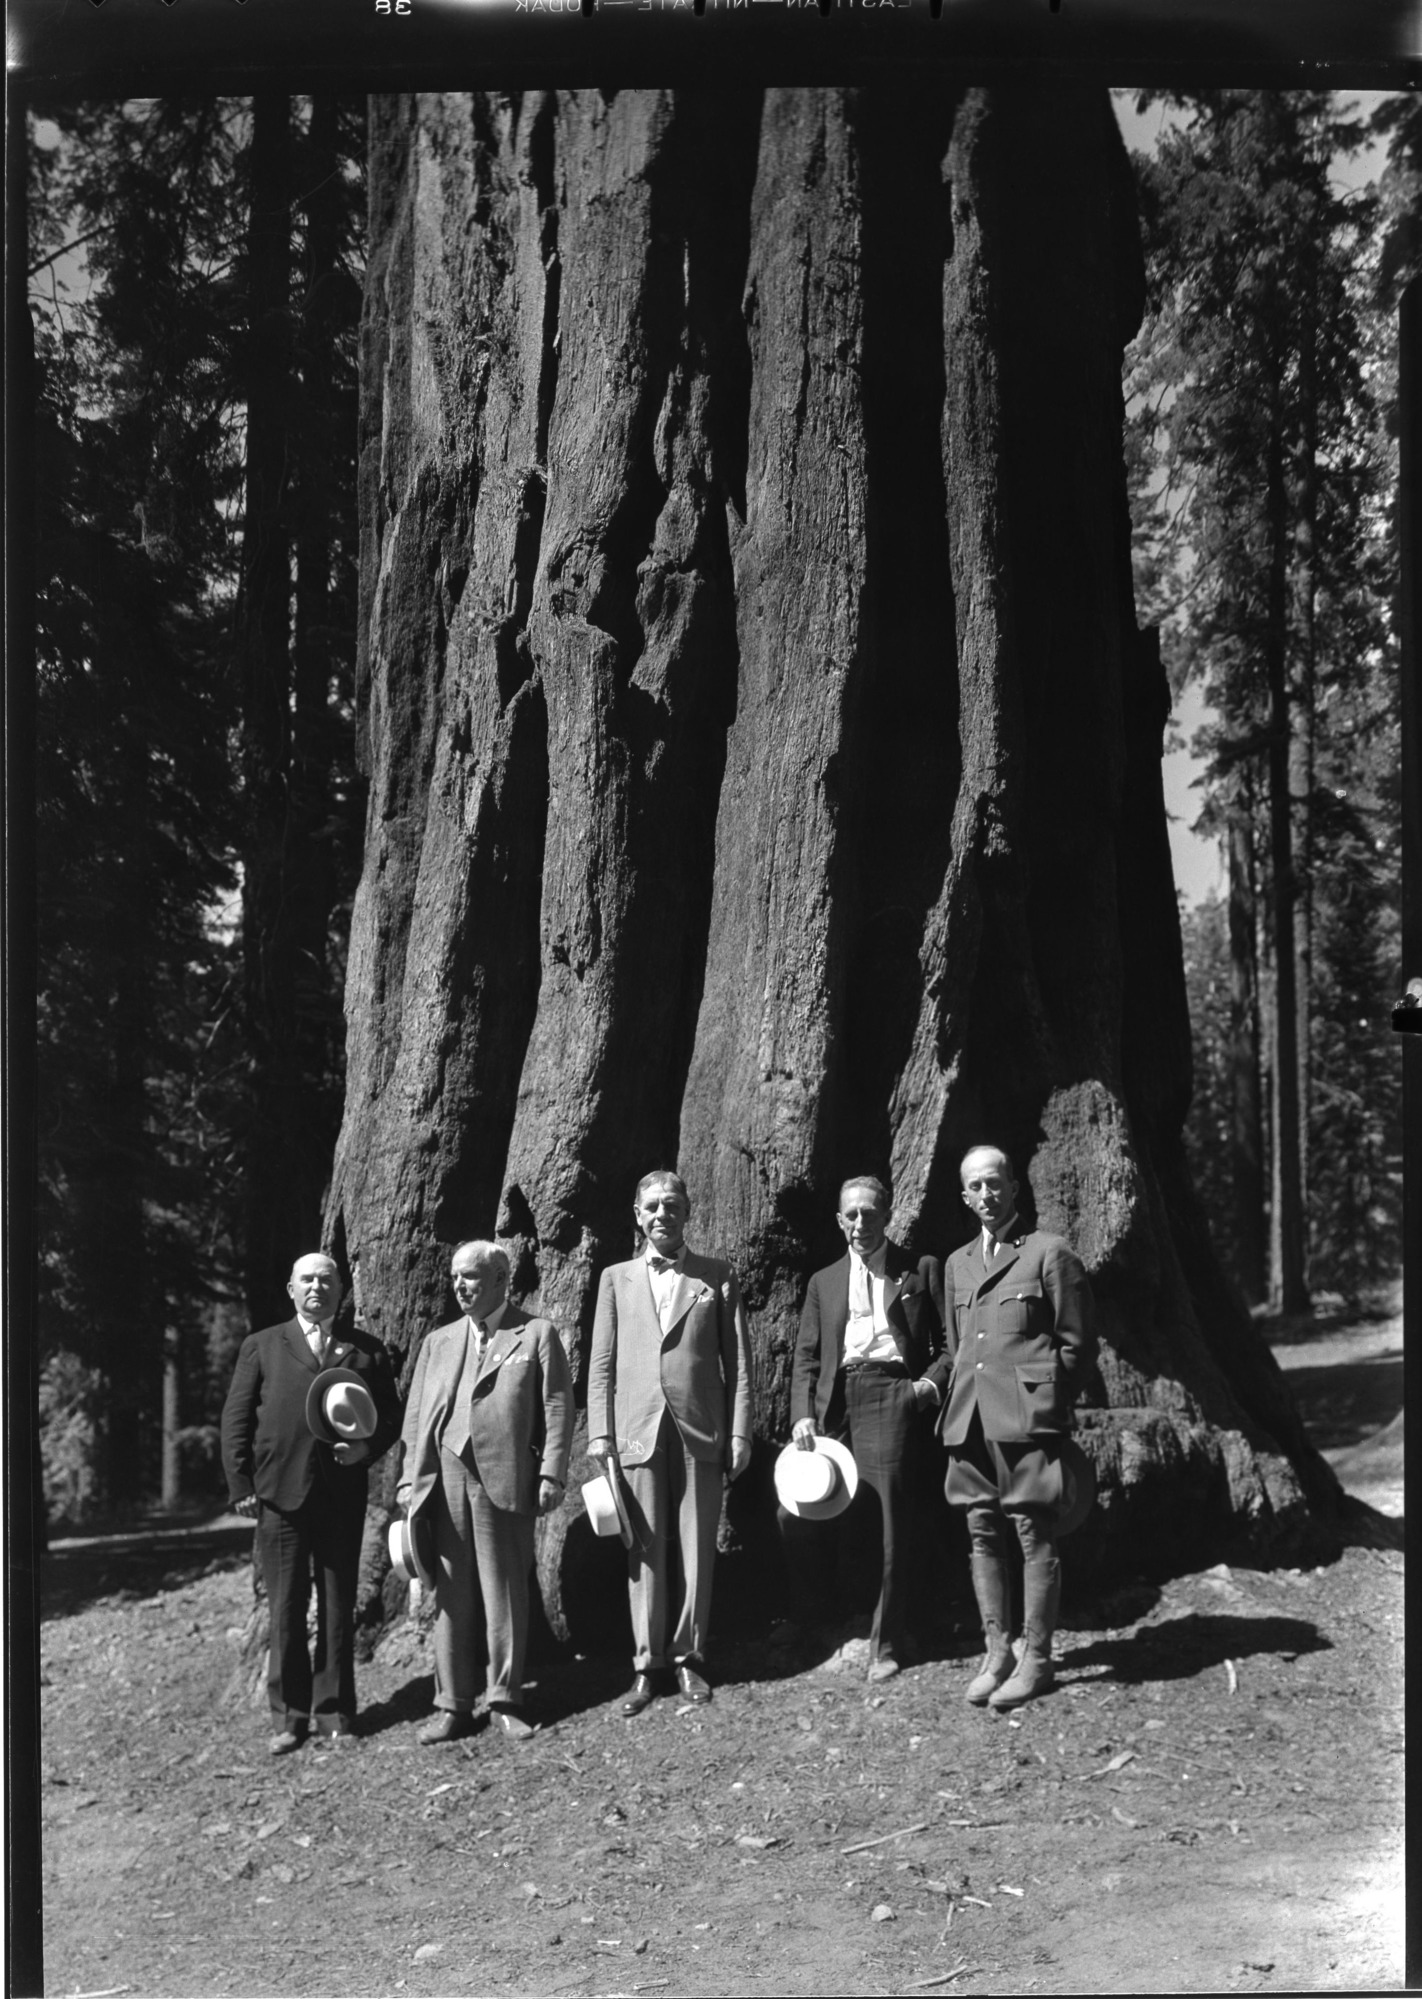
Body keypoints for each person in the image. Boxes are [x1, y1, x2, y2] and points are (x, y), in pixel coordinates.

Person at [588, 1170, 753, 1716]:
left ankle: (688, 1656)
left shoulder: (718, 1276)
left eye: (672, 1205)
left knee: (697, 1548)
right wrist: (600, 1434)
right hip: (637, 1433)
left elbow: (742, 1367)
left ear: (688, 1212)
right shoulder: (615, 1278)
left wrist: (738, 1432)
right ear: (637, 1215)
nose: (662, 1214)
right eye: (652, 1206)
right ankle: (645, 1665)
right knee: (644, 1550)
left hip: (699, 1431)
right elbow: (601, 1365)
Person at [396, 1239, 574, 1743]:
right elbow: (415, 1416)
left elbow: (558, 1407)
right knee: (450, 1595)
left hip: (506, 1474)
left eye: (470, 1276)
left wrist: (552, 1473)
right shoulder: (440, 1340)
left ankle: (504, 1699)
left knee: (505, 1593)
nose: (459, 1285)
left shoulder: (535, 1333)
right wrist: (410, 1476)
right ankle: (452, 1704)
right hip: (444, 1478)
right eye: (455, 1276)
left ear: (500, 1279)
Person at [221, 1252, 399, 1754]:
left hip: (342, 1496)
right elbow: (237, 1418)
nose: (316, 1288)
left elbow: (391, 1414)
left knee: (339, 1607)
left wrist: (367, 1448)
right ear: (290, 1289)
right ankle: (289, 1717)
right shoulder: (262, 1346)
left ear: (341, 1291)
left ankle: (335, 1713)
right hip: (279, 1496)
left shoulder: (366, 1351)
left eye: (326, 1280)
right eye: (307, 1280)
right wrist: (241, 1485)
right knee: (287, 1607)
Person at [939, 1145, 1097, 1709]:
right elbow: (962, 1348)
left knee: (1034, 1533)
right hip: (970, 1420)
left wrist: (1045, 1404)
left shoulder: (1048, 1253)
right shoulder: (958, 1263)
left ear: (1014, 1186)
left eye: (994, 1183)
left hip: (1027, 1421)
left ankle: (1038, 1659)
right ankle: (997, 1651)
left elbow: (1077, 1346)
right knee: (981, 1529)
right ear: (964, 1196)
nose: (986, 1195)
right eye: (975, 1187)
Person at [784, 1176, 951, 1682]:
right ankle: (815, 1624)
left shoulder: (920, 1270)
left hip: (891, 1393)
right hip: (833, 1404)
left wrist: (924, 1389)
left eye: (870, 1214)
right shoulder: (823, 1281)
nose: (860, 1224)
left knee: (889, 1514)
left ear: (888, 1215)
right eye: (851, 1215)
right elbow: (807, 1356)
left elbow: (949, 1346)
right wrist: (801, 1414)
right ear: (839, 1220)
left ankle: (886, 1643)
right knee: (795, 1510)